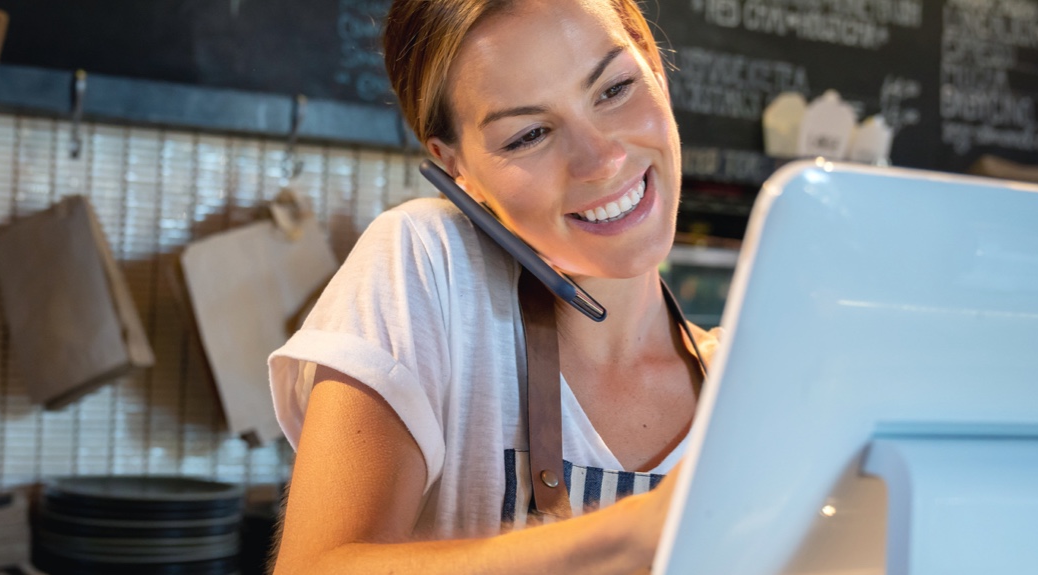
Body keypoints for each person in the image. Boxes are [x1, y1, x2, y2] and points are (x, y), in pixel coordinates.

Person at [266, 0, 719, 571]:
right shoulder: (428, 263)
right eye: (529, 135)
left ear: (655, 69)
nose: (601, 160)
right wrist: (630, 536)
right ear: (456, 168)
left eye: (615, 89)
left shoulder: (753, 381)